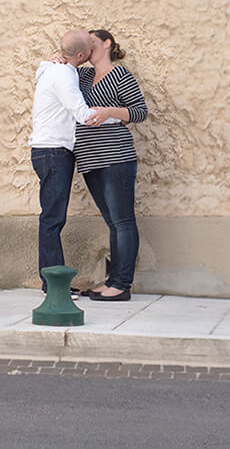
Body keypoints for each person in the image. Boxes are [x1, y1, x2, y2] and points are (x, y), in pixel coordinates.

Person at [28, 30, 117, 293]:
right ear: (81, 55)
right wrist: (117, 117)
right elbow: (82, 114)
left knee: (53, 217)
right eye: (90, 47)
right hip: (53, 151)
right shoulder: (64, 75)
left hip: (50, 150)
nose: (93, 50)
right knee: (52, 219)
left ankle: (53, 283)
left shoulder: (57, 68)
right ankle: (53, 287)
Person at [74, 30, 148, 302]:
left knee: (123, 221)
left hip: (116, 156)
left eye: (92, 42)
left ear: (107, 44)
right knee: (112, 222)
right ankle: (113, 280)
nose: (88, 47)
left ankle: (121, 285)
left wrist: (109, 112)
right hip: (90, 159)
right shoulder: (81, 76)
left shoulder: (121, 75)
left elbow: (140, 111)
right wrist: (58, 57)